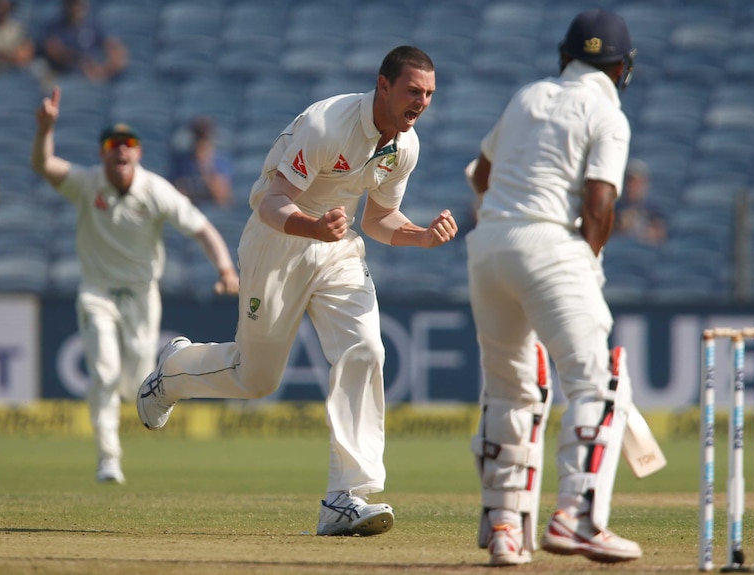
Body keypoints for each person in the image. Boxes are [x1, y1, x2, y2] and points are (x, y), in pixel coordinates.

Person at [135, 46, 457, 536]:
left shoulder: (406, 146)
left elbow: (379, 220)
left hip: (338, 249)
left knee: (366, 348)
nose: (422, 102)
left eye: (430, 94)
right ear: (384, 85)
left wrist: (421, 235)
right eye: (414, 91)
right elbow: (271, 202)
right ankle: (174, 373)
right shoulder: (328, 124)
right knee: (255, 379)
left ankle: (345, 497)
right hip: (279, 242)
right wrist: (312, 228)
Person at [464, 9, 642, 566]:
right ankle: (577, 517)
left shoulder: (527, 96)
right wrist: (588, 259)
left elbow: (481, 176)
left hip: (488, 247)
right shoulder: (608, 113)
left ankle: (504, 528)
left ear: (565, 57)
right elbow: (599, 202)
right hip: (551, 246)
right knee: (599, 380)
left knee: (510, 390)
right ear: (622, 69)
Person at [31, 87, 240, 485]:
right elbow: (44, 166)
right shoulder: (87, 183)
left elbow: (202, 228)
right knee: (105, 372)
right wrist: (45, 130)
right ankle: (108, 458)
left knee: (135, 384)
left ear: (138, 153)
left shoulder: (155, 190)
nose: (121, 150)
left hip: (143, 295)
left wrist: (225, 269)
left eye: (129, 144)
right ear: (102, 152)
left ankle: (161, 374)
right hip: (97, 292)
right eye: (113, 144)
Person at [38, 0, 127, 84]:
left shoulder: (93, 26)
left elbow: (114, 47)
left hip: (93, 73)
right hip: (64, 75)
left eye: (79, 4)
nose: (76, 8)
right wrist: (82, 63)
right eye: (72, 4)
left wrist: (106, 68)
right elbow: (53, 49)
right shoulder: (54, 27)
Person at [170, 116, 235, 207]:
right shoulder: (182, 161)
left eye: (204, 138)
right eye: (198, 138)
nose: (201, 143)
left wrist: (206, 166)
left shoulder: (220, 161)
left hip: (214, 213)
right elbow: (176, 195)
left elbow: (223, 199)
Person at [613, 158, 667, 246]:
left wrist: (641, 231)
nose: (632, 186)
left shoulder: (652, 208)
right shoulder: (616, 207)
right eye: (629, 181)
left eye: (636, 182)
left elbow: (660, 234)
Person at [0, 0, 34, 78]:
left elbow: (22, 57)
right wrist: (7, 54)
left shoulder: (19, 29)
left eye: (3, 4)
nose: (0, 8)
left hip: (14, 72)